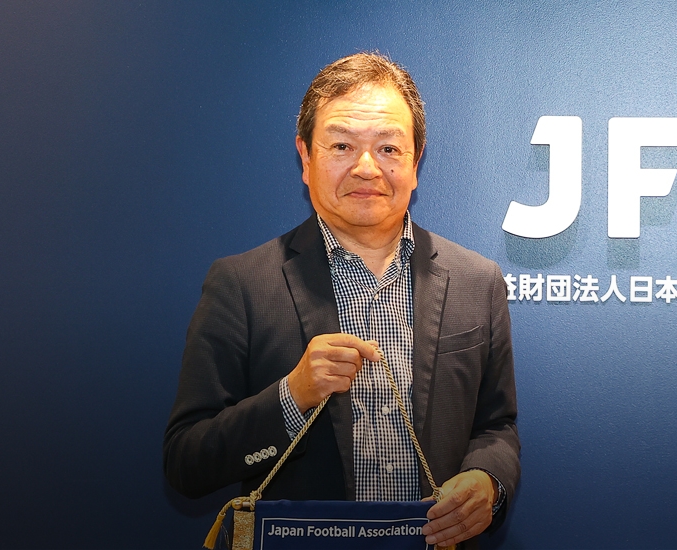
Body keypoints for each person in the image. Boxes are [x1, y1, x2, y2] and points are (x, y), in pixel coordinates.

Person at [164, 52, 519, 549]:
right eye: (342, 145)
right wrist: (292, 396)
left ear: (415, 162)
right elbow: (186, 463)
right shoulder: (240, 285)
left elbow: (497, 427)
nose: (366, 167)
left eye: (389, 148)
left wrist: (489, 481)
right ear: (306, 157)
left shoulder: (477, 281)